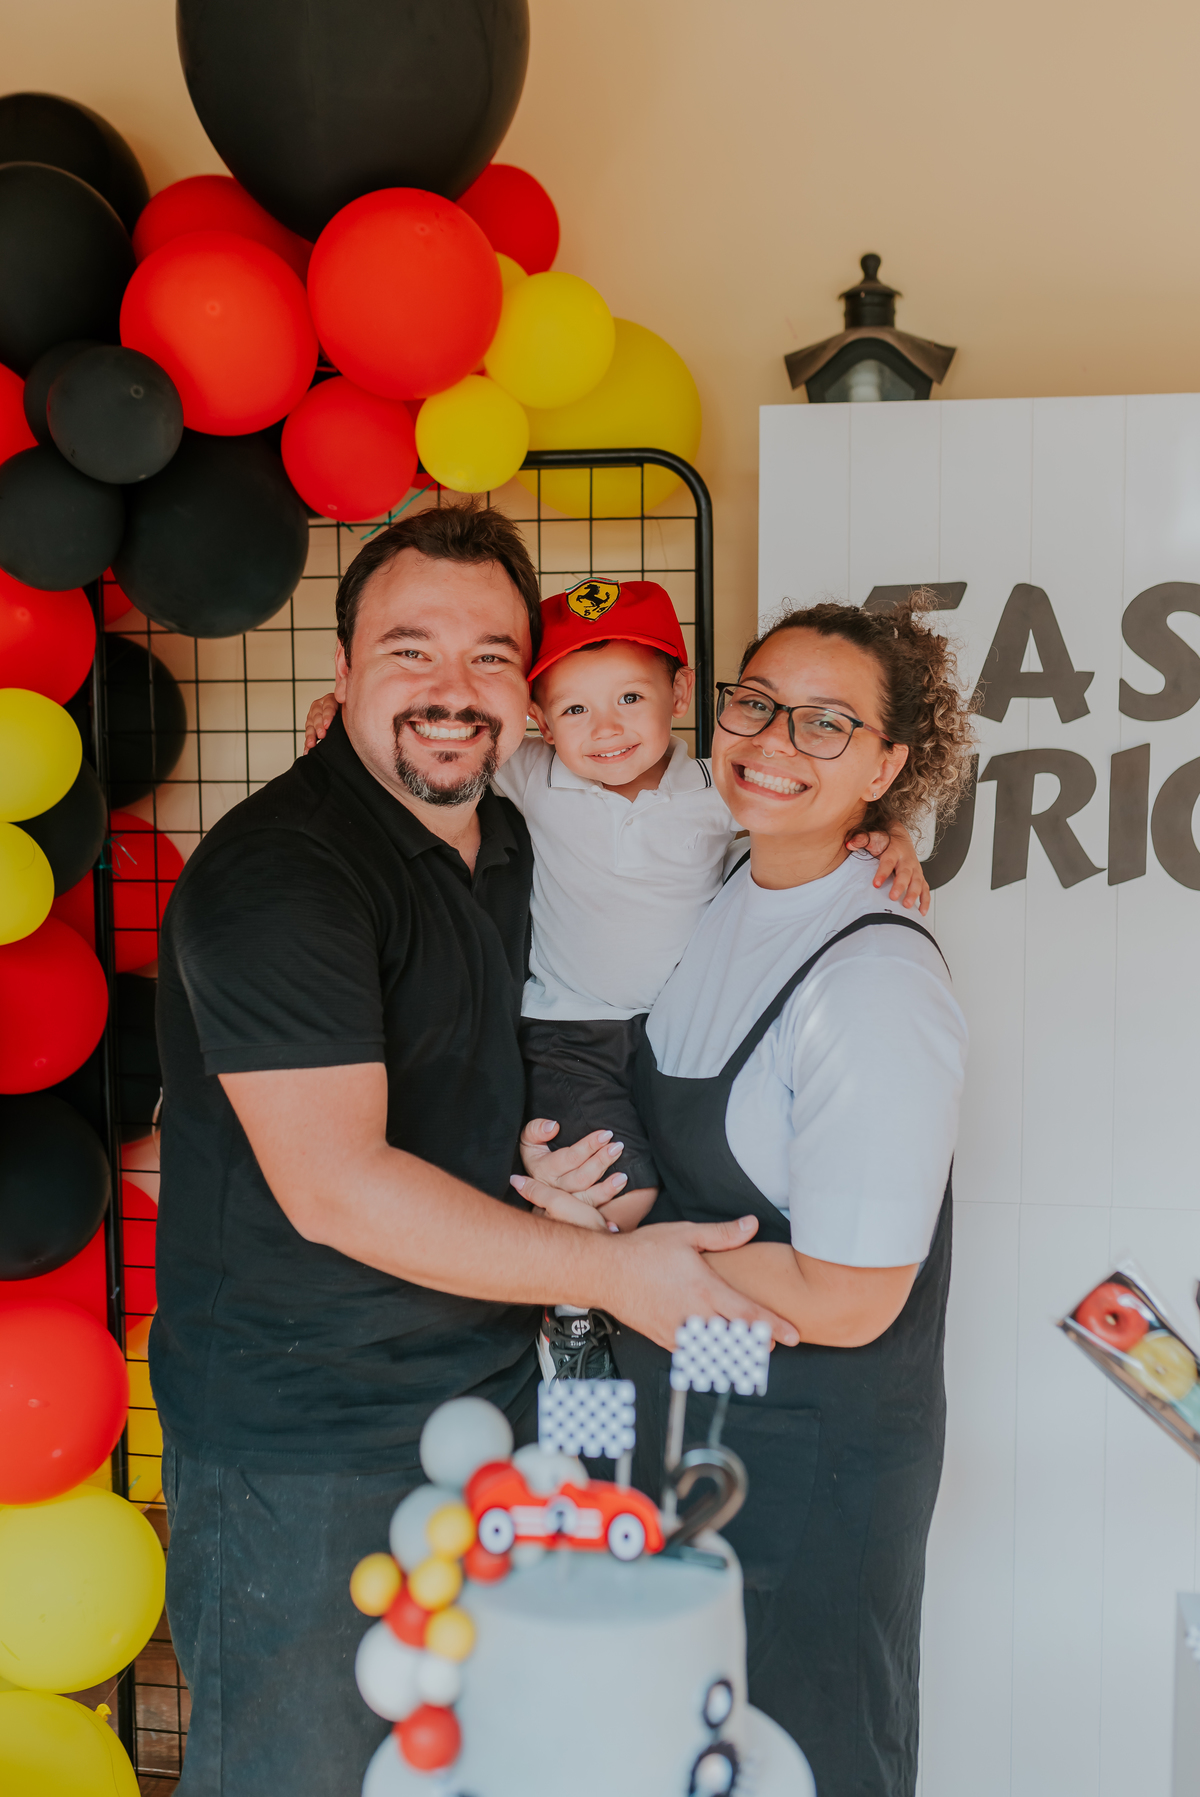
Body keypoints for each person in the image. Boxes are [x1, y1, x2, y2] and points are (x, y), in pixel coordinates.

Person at [151, 502, 795, 1797]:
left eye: (492, 656)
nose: (453, 690)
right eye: (411, 649)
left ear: (530, 694)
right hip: (309, 1441)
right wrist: (614, 1270)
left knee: (475, 1769)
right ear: (341, 675)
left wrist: (861, 858)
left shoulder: (507, 842)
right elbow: (336, 1185)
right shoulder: (282, 876)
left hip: (487, 1412)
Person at [516, 597, 972, 1797]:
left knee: (799, 1767)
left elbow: (855, 1297)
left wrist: (612, 1263)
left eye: (828, 724)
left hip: (808, 1490)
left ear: (889, 764)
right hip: (691, 1455)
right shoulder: (718, 895)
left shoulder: (874, 977)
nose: (774, 741)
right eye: (758, 704)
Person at [304, 576, 929, 1384]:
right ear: (537, 719)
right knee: (620, 1193)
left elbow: (819, 800)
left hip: (662, 1034)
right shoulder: (535, 776)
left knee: (652, 1197)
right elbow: (438, 745)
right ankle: (573, 1328)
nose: (604, 729)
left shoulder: (717, 792)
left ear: (678, 693)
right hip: (571, 1029)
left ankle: (586, 1303)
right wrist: (341, 716)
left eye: (630, 697)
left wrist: (892, 830)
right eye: (572, 710)